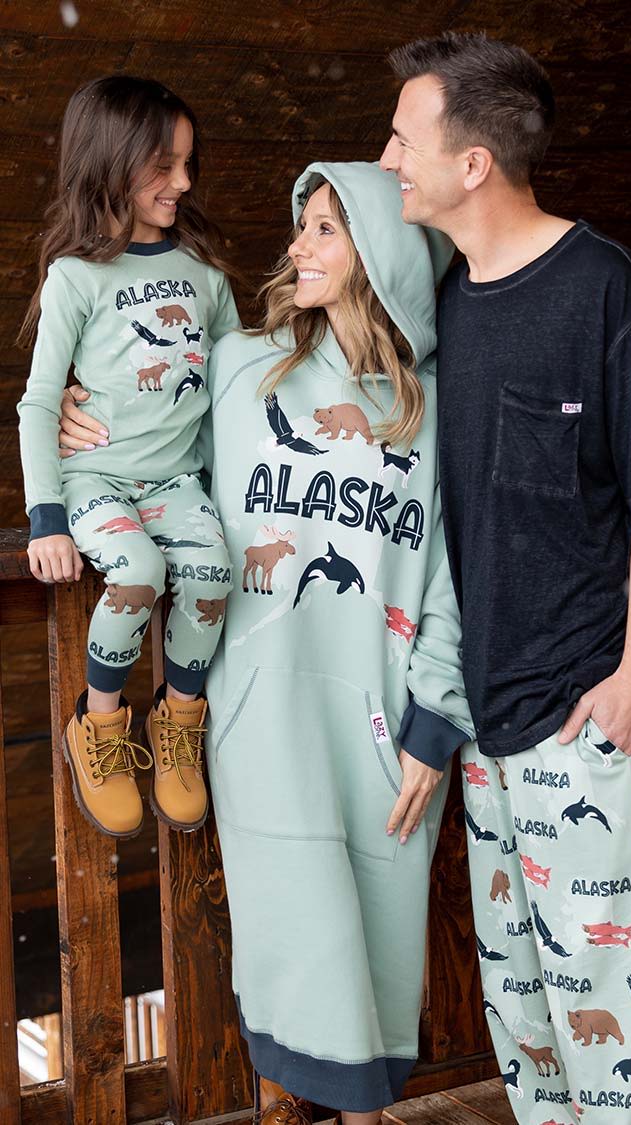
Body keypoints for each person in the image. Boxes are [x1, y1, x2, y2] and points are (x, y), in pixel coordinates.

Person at [55, 161, 474, 1125]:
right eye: (303, 227)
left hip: (381, 720)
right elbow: (153, 458)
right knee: (290, 942)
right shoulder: (243, 361)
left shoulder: (439, 401)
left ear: (380, 251)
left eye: (325, 229)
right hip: (262, 705)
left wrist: (434, 717)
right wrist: (88, 425)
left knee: (373, 950)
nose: (296, 247)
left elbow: (458, 567)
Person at [379, 31, 631, 1125]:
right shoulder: (450, 305)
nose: (388, 158)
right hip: (482, 731)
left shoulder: (606, 287)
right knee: (526, 1021)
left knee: (611, 1018)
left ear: (474, 163)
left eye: (405, 137)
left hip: (579, 718)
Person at [17, 76, 240, 838]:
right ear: (111, 163)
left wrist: (225, 498)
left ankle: (178, 718)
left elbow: (232, 398)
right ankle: (101, 721)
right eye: (163, 165)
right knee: (140, 571)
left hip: (177, 481)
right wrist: (46, 517)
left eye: (187, 164)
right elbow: (41, 401)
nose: (182, 181)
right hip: (98, 479)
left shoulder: (207, 280)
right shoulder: (76, 277)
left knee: (213, 568)